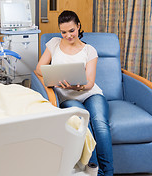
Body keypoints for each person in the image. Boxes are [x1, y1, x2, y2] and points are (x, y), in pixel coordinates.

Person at [35, 10, 113, 176]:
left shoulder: (89, 50)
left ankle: (108, 173)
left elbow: (90, 82)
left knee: (100, 123)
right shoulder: (54, 43)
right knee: (85, 126)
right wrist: (55, 81)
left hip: (90, 93)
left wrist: (78, 87)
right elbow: (38, 69)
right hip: (67, 98)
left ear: (78, 26)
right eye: (63, 32)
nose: (68, 35)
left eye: (71, 30)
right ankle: (94, 171)